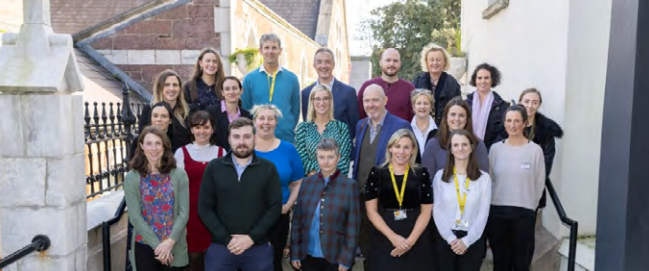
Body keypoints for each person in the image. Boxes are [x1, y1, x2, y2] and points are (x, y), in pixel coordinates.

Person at [198, 117, 282, 271]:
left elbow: (275, 207)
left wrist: (251, 238)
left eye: (247, 136)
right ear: (229, 139)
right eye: (236, 137)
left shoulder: (268, 169)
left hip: (258, 247)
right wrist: (226, 239)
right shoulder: (214, 168)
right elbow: (204, 208)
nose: (241, 142)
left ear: (255, 139)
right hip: (222, 246)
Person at [351, 84, 412, 267]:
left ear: (385, 100)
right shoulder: (361, 125)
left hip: (389, 200)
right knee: (367, 248)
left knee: (386, 250)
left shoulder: (401, 125)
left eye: (375, 100)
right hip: (362, 198)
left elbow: (411, 161)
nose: (371, 104)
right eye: (367, 101)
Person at [364, 129, 434, 271]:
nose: (401, 152)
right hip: (384, 238)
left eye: (406, 147)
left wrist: (409, 242)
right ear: (390, 148)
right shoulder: (376, 173)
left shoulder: (422, 174)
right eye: (397, 146)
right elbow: (371, 211)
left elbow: (426, 212)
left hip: (415, 239)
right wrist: (394, 238)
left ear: (413, 150)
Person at [487, 105, 545, 271]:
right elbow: (489, 179)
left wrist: (530, 207)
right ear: (504, 123)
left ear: (525, 123)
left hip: (524, 214)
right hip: (497, 212)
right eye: (509, 120)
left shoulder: (535, 151)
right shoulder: (495, 149)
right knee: (500, 263)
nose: (512, 125)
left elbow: (539, 182)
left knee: (521, 263)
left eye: (517, 121)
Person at [124, 126, 189, 271]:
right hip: (145, 246)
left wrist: (169, 243)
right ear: (141, 146)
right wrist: (159, 247)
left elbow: (184, 213)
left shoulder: (179, 175)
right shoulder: (132, 178)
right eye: (149, 143)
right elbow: (135, 217)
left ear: (164, 146)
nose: (154, 148)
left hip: (174, 244)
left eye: (158, 143)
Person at [290, 138, 360, 271]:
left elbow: (353, 226)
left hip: (336, 257)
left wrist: (346, 258)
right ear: (316, 157)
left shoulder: (349, 186)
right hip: (307, 256)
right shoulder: (307, 183)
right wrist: (295, 253)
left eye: (330, 157)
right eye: (321, 157)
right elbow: (297, 221)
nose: (326, 161)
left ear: (338, 157)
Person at [251, 104, 305, 271]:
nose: (265, 122)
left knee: (274, 262)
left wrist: (288, 205)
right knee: (249, 262)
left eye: (270, 118)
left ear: (276, 122)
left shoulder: (288, 149)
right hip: (249, 217)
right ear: (254, 121)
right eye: (261, 118)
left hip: (278, 216)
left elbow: (298, 182)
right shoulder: (244, 148)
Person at [173, 111, 226, 271]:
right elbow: (176, 189)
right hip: (190, 215)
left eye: (206, 127)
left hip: (215, 214)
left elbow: (225, 187)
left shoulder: (221, 153)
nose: (202, 131)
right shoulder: (181, 153)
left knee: (214, 259)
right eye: (197, 127)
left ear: (212, 129)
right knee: (193, 260)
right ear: (191, 130)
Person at [432, 130, 491, 271]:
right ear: (451, 150)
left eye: (464, 144)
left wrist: (467, 241)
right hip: (445, 238)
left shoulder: (484, 179)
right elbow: (437, 210)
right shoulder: (440, 177)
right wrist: (450, 238)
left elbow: (483, 214)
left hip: (472, 239)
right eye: (456, 145)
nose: (460, 148)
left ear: (471, 148)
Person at [242, 33, 300, 143]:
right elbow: (246, 110)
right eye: (266, 48)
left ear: (280, 51)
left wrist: (286, 126)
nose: (270, 51)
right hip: (258, 140)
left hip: (286, 139)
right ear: (260, 50)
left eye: (274, 48)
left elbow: (295, 111)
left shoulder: (292, 79)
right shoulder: (249, 79)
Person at [516, 88, 563, 210]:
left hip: (532, 190)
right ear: (520, 102)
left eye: (534, 102)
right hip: (508, 187)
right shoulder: (508, 125)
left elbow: (547, 162)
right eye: (526, 101)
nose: (530, 106)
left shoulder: (546, 130)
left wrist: (535, 185)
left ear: (539, 105)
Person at [422, 97, 490, 176]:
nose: (457, 119)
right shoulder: (433, 144)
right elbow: (427, 178)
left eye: (461, 115)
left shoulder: (478, 145)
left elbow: (484, 177)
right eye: (453, 114)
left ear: (467, 119)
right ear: (446, 117)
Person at [301, 47, 359, 138]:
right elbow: (307, 122)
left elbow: (354, 125)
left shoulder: (348, 93)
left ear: (333, 65)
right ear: (314, 66)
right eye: (319, 62)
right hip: (314, 150)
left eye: (327, 62)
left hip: (342, 149)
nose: (323, 66)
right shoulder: (305, 94)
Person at [296, 84, 353, 176]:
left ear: (330, 101)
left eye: (325, 98)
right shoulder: (303, 128)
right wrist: (319, 178)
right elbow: (302, 159)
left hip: (336, 185)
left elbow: (344, 160)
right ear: (312, 102)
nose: (322, 103)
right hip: (311, 184)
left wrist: (329, 179)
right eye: (317, 99)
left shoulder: (341, 128)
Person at [357, 48, 416, 122]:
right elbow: (359, 115)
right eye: (388, 60)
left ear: (400, 63)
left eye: (395, 61)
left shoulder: (409, 89)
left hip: (400, 132)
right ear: (380, 62)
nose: (391, 64)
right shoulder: (367, 86)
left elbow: (414, 118)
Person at [139, 69, 191, 152]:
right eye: (167, 85)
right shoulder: (149, 109)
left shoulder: (187, 112)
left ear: (180, 88)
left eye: (175, 85)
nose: (171, 88)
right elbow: (141, 139)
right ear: (160, 87)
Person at [412, 43, 462, 125]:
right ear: (426, 62)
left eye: (438, 60)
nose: (435, 63)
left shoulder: (452, 83)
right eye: (431, 60)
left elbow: (457, 107)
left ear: (444, 62)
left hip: (445, 128)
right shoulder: (417, 82)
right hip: (422, 127)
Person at [465, 63, 509, 150]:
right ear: (475, 80)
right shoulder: (466, 103)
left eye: (486, 78)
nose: (483, 81)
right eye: (479, 78)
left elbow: (504, 131)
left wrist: (491, 149)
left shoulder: (501, 106)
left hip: (491, 151)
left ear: (492, 80)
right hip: (466, 150)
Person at [206, 76, 252, 150]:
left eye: (234, 88)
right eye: (227, 89)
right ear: (222, 92)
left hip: (240, 157)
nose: (231, 92)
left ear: (241, 90)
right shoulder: (211, 112)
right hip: (217, 157)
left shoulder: (248, 116)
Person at [410, 89, 438, 156]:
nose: (422, 107)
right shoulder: (407, 129)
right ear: (414, 107)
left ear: (431, 107)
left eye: (426, 103)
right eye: (419, 103)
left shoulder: (439, 131)